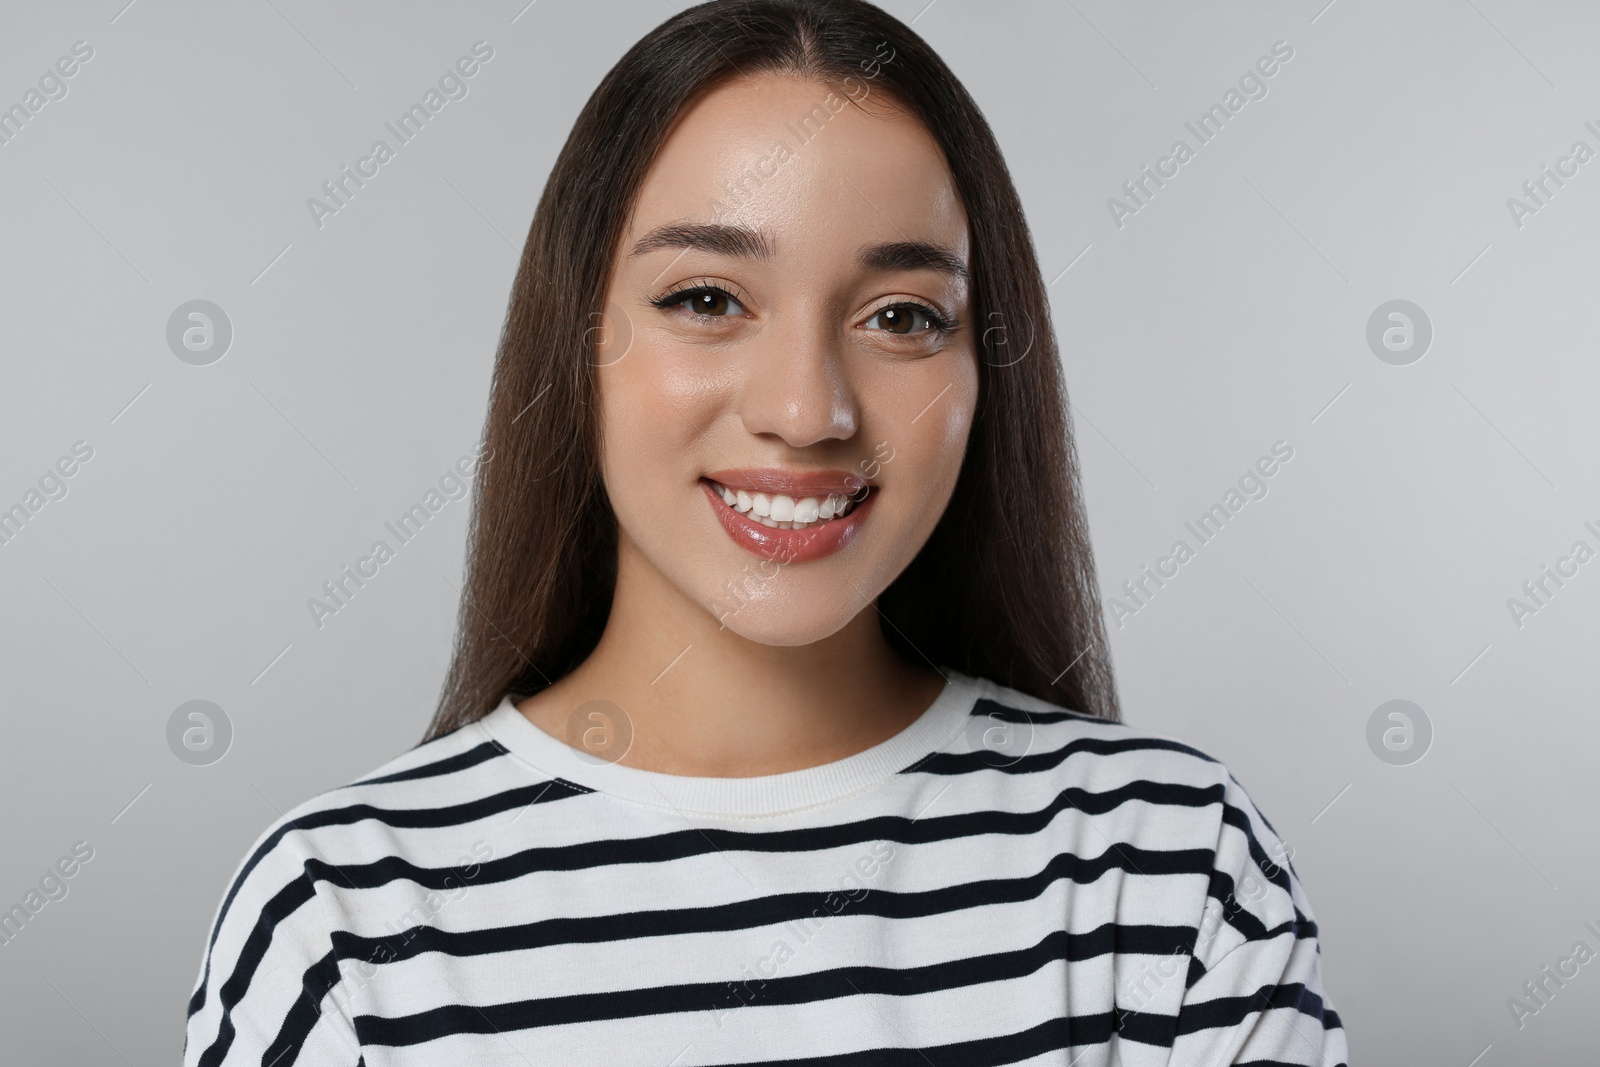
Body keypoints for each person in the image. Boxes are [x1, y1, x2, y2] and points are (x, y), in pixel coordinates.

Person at [183, 1, 1347, 1062]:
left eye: (901, 316)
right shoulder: (341, 920)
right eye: (705, 299)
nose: (805, 411)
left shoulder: (1170, 871)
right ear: (575, 341)